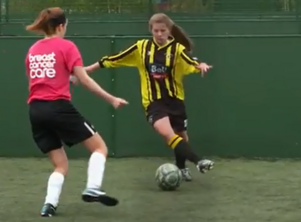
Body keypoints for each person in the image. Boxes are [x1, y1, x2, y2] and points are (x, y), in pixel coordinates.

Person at [84, 13, 214, 182]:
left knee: (181, 136)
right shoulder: (141, 47)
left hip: (175, 101)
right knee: (167, 134)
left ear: (169, 31)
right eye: (156, 31)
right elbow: (114, 58)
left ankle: (182, 167)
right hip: (153, 102)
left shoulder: (177, 49)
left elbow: (192, 62)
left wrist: (201, 66)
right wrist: (88, 70)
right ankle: (198, 161)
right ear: (150, 30)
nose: (159, 34)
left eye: (163, 30)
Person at [25, 7, 128, 217]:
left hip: (36, 110)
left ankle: (49, 206)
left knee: (60, 165)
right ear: (61, 26)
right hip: (58, 107)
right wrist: (112, 98)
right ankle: (93, 187)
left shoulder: (33, 49)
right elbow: (86, 80)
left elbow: (43, 79)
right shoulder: (67, 46)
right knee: (100, 148)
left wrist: (69, 78)